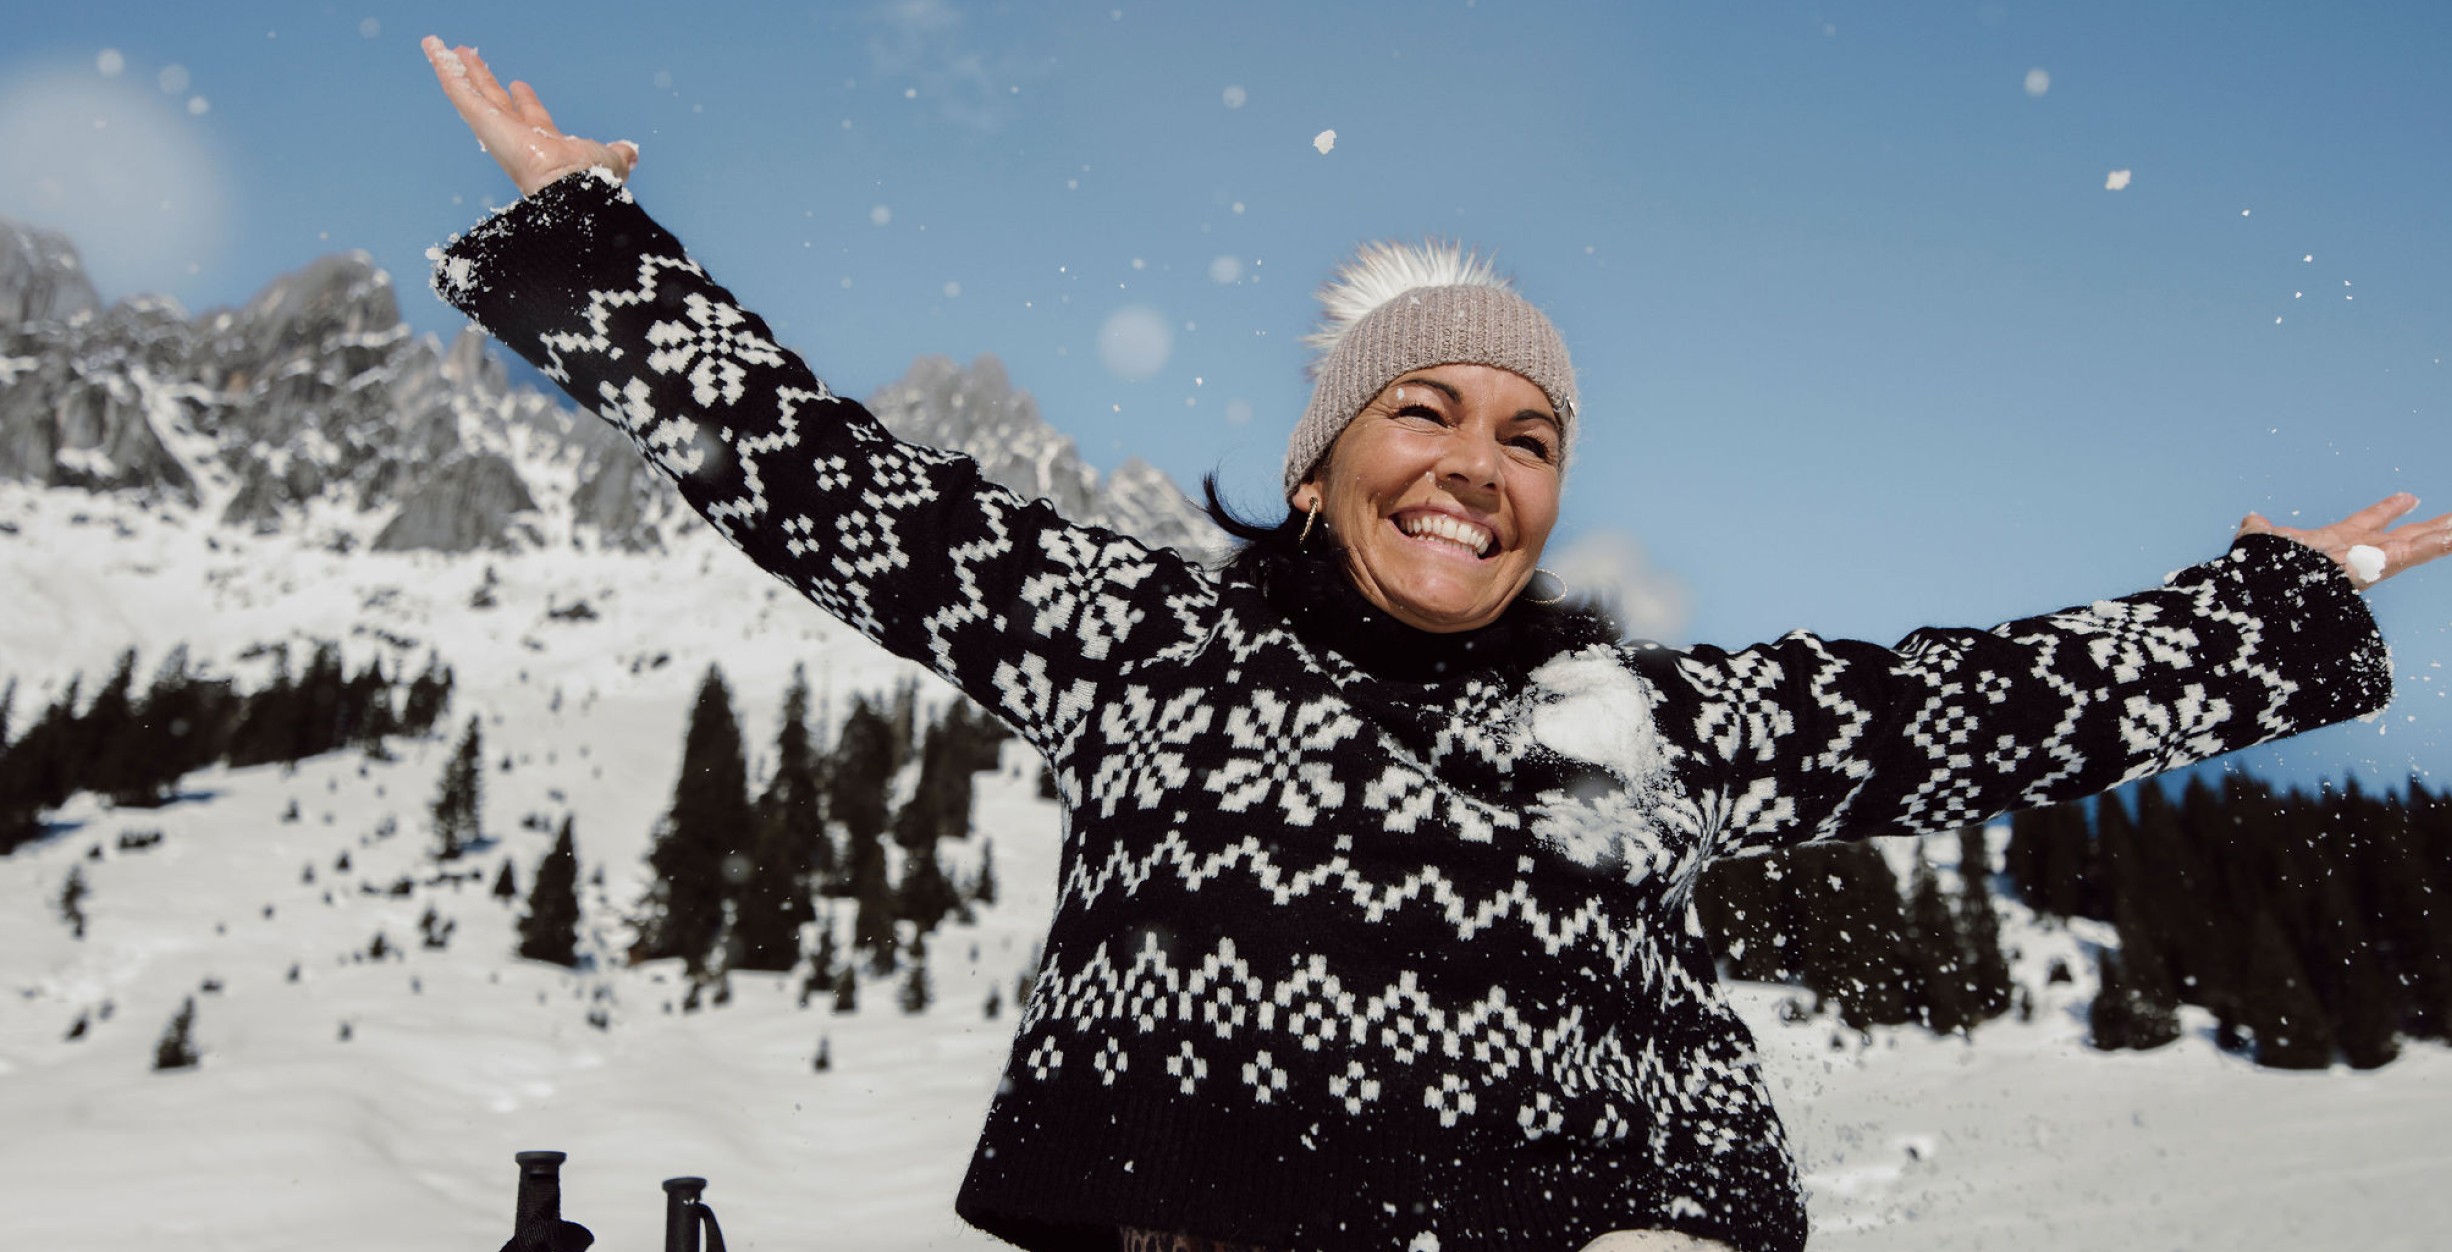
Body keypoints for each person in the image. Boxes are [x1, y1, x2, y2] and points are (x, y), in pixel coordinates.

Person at [418, 36, 2447, 1252]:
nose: (1477, 466)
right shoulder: (1149, 647)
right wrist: (598, 249)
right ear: (1315, 466)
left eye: (1527, 434)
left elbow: (1967, 707)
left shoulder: (1638, 720)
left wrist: (2265, 610)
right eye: (1425, 411)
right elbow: (821, 481)